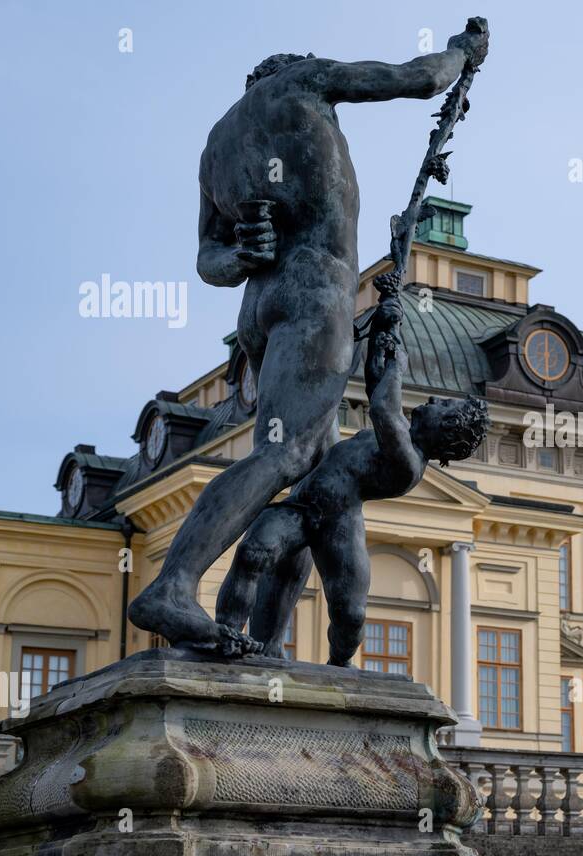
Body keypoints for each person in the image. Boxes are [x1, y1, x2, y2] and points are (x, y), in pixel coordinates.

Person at [128, 24, 489, 653]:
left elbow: (209, 260)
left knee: (309, 477)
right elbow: (420, 78)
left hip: (260, 309)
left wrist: (243, 254)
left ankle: (266, 647)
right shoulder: (305, 81)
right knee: (285, 456)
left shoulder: (217, 147)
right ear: (289, 71)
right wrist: (465, 52)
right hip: (316, 295)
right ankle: (173, 586)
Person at [215, 335, 489, 664]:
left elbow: (383, 408)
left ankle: (339, 664)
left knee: (351, 613)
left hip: (340, 525)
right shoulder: (401, 429)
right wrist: (384, 343)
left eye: (444, 406)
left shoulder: (409, 462)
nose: (433, 398)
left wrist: (398, 368)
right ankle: (227, 633)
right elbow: (378, 387)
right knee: (253, 552)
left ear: (447, 430)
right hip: (301, 509)